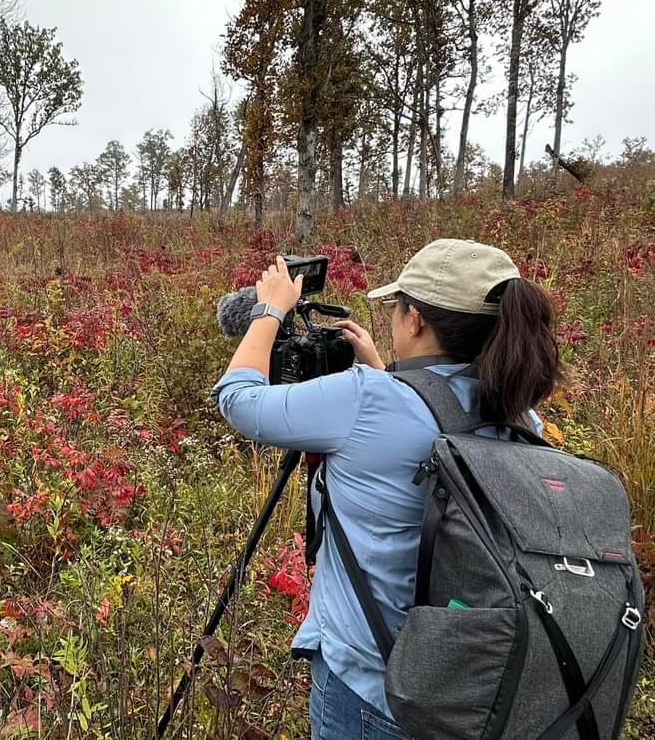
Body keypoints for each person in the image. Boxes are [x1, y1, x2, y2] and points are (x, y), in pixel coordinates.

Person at [211, 239, 561, 740]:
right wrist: (388, 375)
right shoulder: (522, 414)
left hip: (373, 686)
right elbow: (435, 427)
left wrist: (268, 311)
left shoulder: (366, 399)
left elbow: (238, 399)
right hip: (471, 685)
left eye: (396, 308)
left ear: (414, 319)